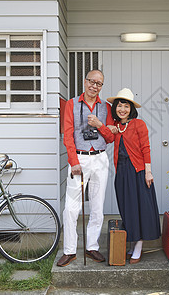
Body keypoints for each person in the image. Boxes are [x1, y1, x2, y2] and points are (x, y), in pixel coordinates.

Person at [57, 69, 116, 267]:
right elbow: (68, 135)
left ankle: (92, 247)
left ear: (101, 86)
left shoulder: (106, 107)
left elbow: (110, 137)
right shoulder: (72, 104)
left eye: (99, 83)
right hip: (79, 160)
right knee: (71, 208)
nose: (94, 86)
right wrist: (73, 161)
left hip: (99, 158)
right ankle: (70, 250)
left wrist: (100, 124)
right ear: (85, 82)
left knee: (98, 206)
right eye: (92, 81)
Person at [107, 88, 161, 264]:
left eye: (126, 106)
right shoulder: (116, 128)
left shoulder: (139, 124)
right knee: (127, 208)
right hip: (121, 172)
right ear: (115, 107)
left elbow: (145, 148)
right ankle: (131, 242)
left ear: (131, 109)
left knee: (139, 208)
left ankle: (138, 245)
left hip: (137, 171)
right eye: (120, 106)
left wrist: (148, 171)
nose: (122, 109)